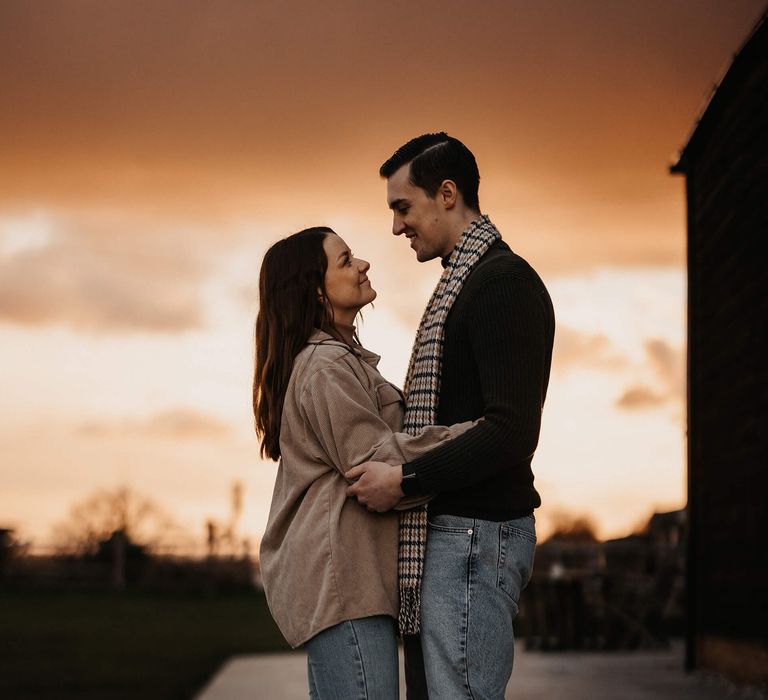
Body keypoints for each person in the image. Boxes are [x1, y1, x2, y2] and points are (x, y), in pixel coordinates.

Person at [347, 133, 556, 699]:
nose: (396, 227)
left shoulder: (500, 283)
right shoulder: (464, 285)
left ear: (446, 193)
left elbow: (511, 430)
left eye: (402, 207)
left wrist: (406, 481)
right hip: (455, 538)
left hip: (474, 537)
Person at [255, 226, 473, 699]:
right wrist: (473, 439)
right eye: (346, 260)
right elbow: (375, 460)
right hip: (343, 587)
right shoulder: (327, 368)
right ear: (316, 288)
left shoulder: (342, 361)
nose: (363, 265)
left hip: (349, 584)